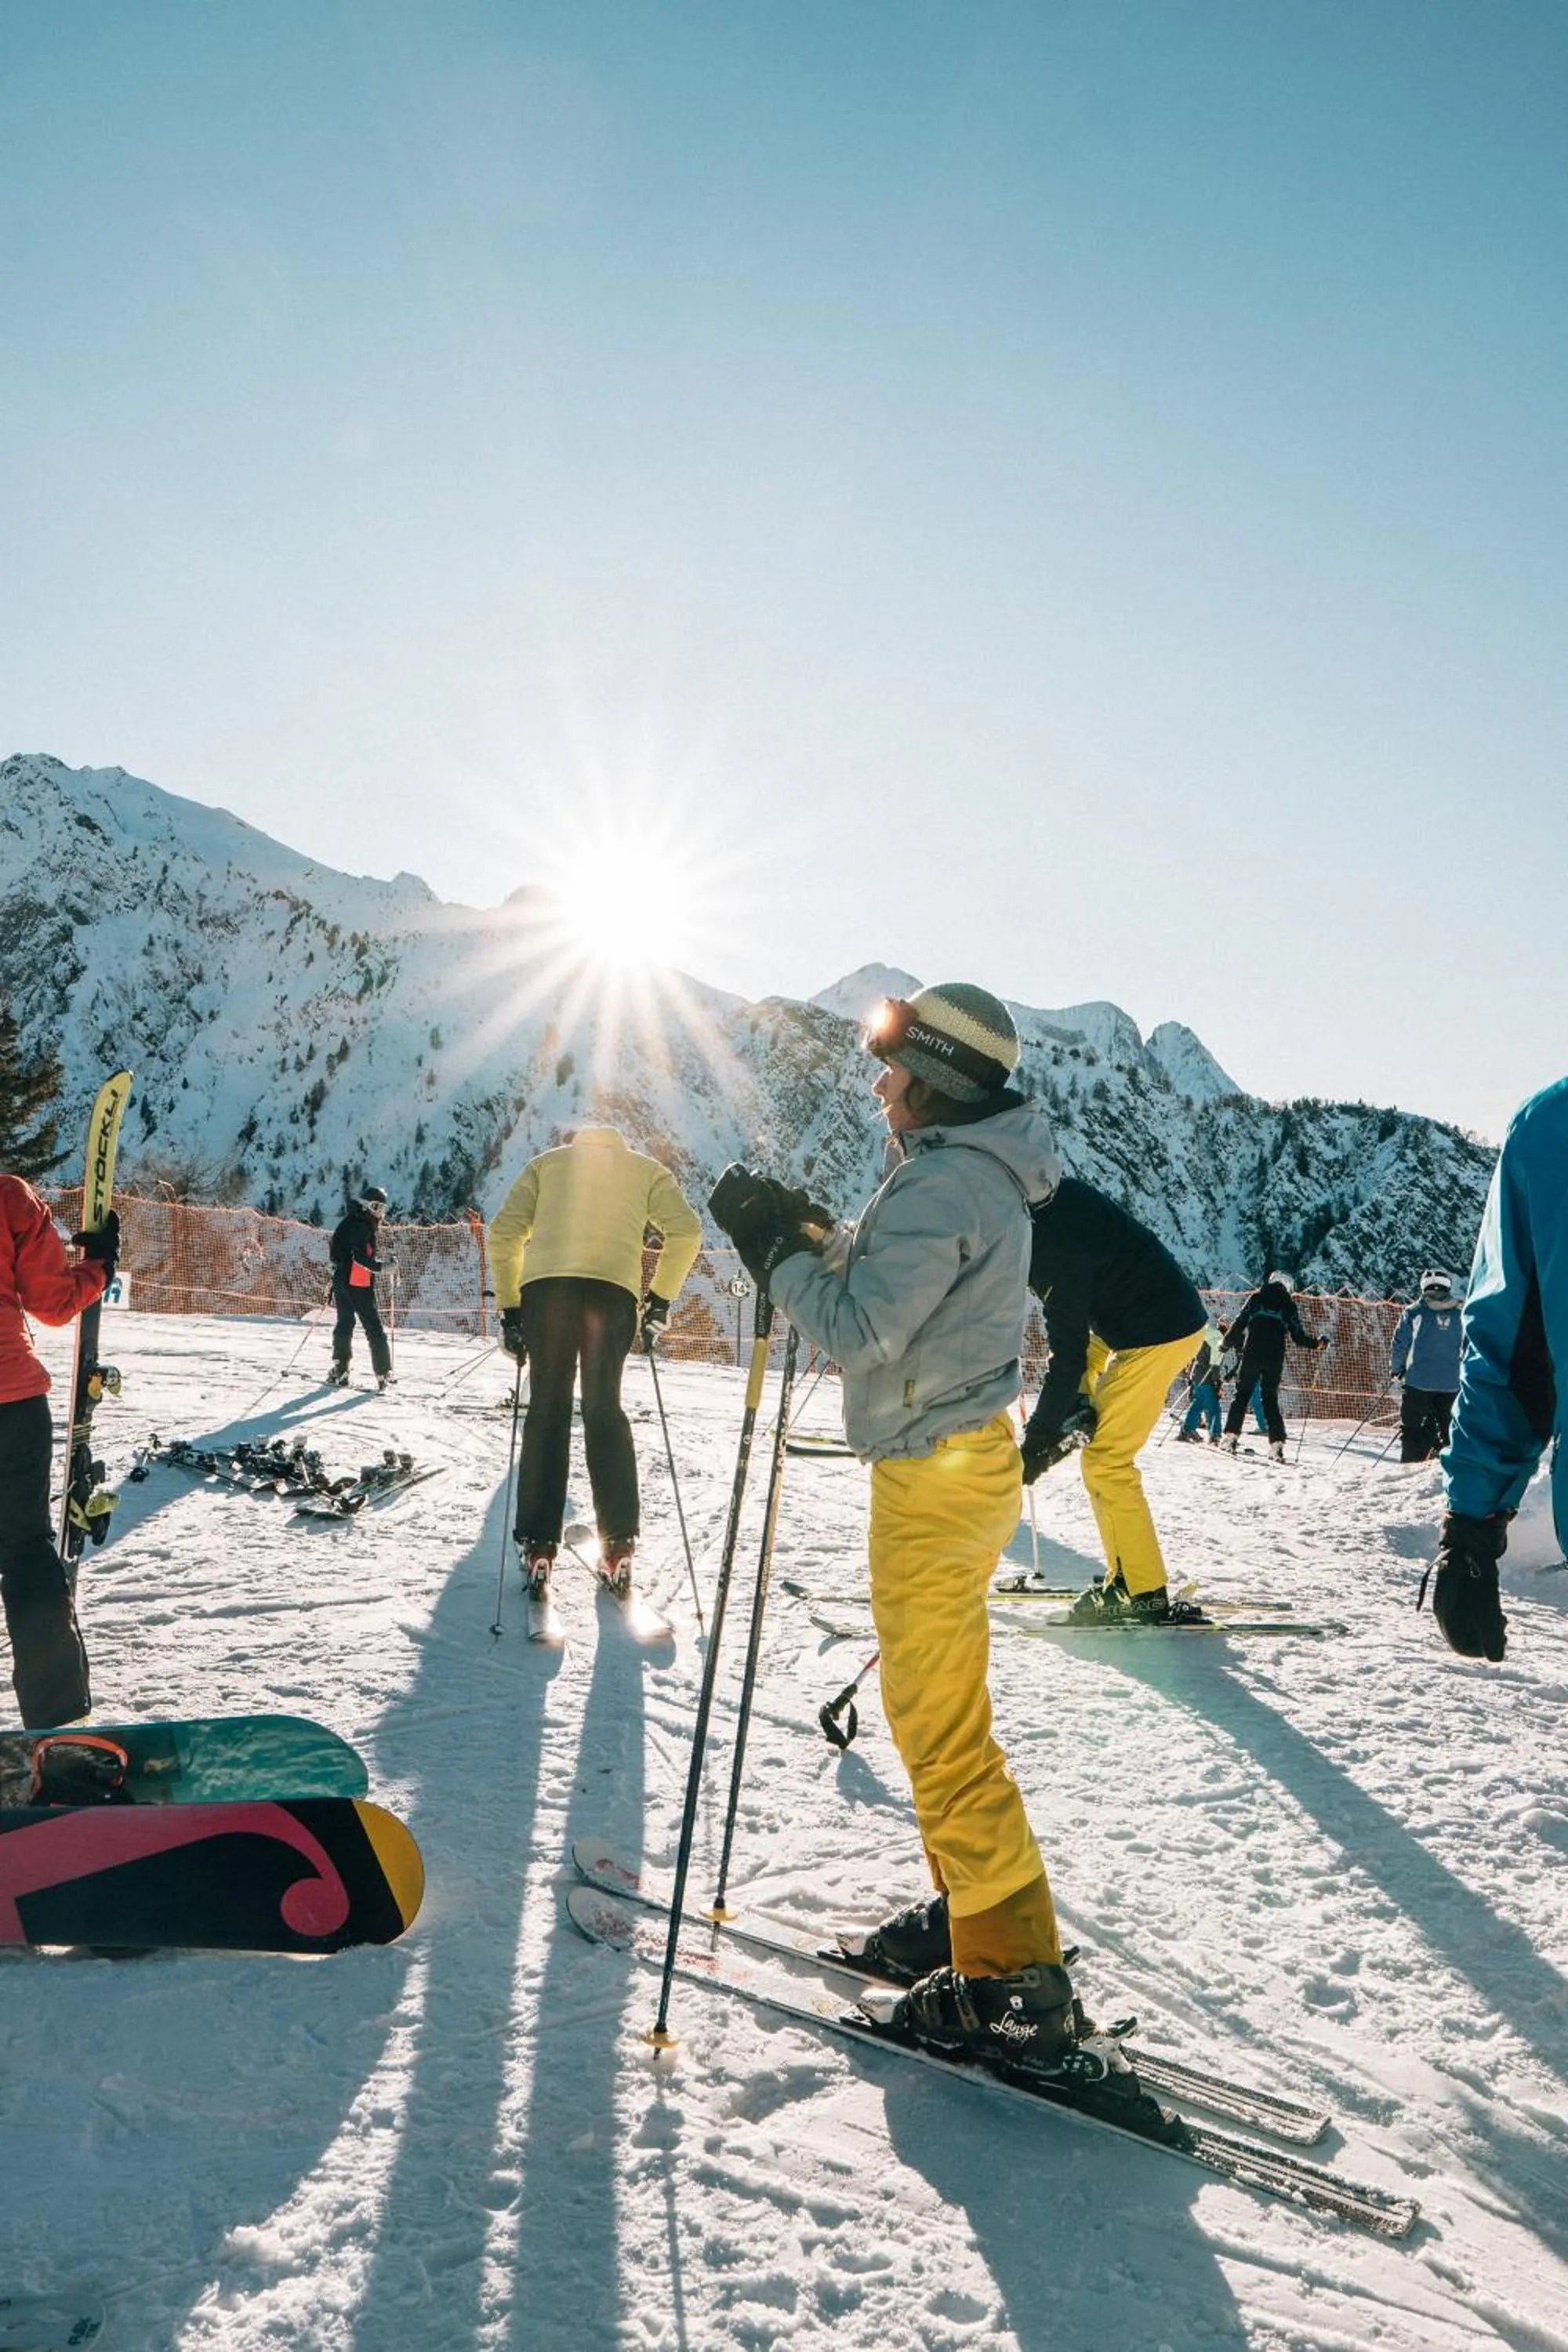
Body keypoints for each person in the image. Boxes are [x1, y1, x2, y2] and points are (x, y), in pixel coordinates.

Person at [711, 982, 1091, 2074]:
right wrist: (806, 1229)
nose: (879, 1082)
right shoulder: (971, 1174)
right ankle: (968, 1906)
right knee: (929, 1702)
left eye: (893, 1064)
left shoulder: (944, 1182)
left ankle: (1012, 1982)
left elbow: (864, 1327)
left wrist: (773, 1255)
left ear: (939, 1076)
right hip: (956, 1467)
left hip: (936, 1477)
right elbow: (902, 1284)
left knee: (937, 1722)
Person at [488, 1126, 700, 1599]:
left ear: (576, 1141)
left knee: (547, 1410)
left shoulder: (546, 1164)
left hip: (547, 1292)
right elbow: (687, 1233)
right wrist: (659, 1303)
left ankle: (539, 1544)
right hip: (614, 1295)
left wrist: (511, 1311)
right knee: (604, 1409)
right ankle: (619, 1545)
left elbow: (504, 1234)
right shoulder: (647, 1171)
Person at [1428, 1077, 1568, 1664]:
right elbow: (1516, 1354)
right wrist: (1470, 1533)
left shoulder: (1550, 1125)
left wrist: (1474, 1526)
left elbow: (1509, 1354)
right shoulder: (1550, 1130)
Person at [1021, 1180, 1207, 1621]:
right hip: (1141, 1317)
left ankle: (1143, 1592)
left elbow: (1066, 1356)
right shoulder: (1049, 1197)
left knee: (1108, 1462)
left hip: (1157, 1333)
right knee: (1100, 1454)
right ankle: (1128, 1577)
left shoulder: (1048, 1253)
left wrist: (1038, 1440)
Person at [0, 1173, 117, 1726]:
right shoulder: (8, 1197)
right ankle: (61, 1727)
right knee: (25, 1553)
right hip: (10, 1403)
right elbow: (51, 1304)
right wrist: (97, 1266)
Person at [1219, 1272, 1326, 1460]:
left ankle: (1230, 1438)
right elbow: (1298, 1336)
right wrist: (1318, 1344)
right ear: (1288, 1288)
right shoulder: (1289, 1307)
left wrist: (1225, 1344)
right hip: (1274, 1359)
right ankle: (1276, 1445)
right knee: (1270, 1399)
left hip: (1251, 1354)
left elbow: (1239, 1323)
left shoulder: (1256, 1299)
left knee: (1242, 1395)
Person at [1389, 1269, 1463, 1464]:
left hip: (1418, 1383)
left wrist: (1396, 1369)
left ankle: (1411, 1467)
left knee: (1413, 1429)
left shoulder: (1414, 1312)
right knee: (1451, 1430)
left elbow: (1400, 1343)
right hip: (1452, 1385)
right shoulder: (1461, 1313)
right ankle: (1447, 1467)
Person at [328, 1185, 394, 1389]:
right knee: (373, 1327)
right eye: (376, 1207)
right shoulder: (363, 1224)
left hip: (341, 1279)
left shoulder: (352, 1220)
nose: (380, 1213)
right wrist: (383, 1268)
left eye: (382, 1208)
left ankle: (340, 1369)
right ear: (367, 1206)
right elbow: (360, 1257)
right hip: (357, 1281)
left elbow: (340, 1249)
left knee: (345, 1323)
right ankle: (383, 1373)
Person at [1177, 1320, 1227, 1442]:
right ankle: (1214, 1434)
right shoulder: (1218, 1340)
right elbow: (1215, 1364)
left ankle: (1187, 1430)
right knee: (1213, 1407)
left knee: (1200, 1404)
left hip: (1198, 1375)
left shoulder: (1207, 1336)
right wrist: (1217, 1382)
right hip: (1207, 1377)